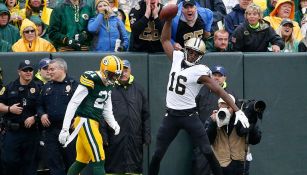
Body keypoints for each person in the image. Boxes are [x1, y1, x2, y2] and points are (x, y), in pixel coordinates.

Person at [149, 14, 250, 175]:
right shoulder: (177, 57)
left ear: (200, 56)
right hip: (171, 115)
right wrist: (168, 21)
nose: (192, 55)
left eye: (196, 54)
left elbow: (218, 89)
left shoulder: (200, 71)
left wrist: (237, 110)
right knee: (157, 154)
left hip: (190, 116)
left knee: (208, 152)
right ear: (185, 49)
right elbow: (165, 40)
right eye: (190, 51)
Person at [58, 55, 123, 175]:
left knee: (82, 160)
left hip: (92, 122)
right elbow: (74, 103)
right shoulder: (91, 78)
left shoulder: (109, 83)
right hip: (85, 120)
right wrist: (65, 128)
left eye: (116, 75)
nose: (113, 78)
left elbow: (106, 109)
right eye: (111, 75)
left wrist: (113, 123)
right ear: (104, 70)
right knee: (99, 159)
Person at [103, 60, 151, 174]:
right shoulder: (109, 89)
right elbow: (102, 115)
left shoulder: (139, 89)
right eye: (121, 71)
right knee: (113, 168)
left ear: (130, 71)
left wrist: (147, 135)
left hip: (135, 139)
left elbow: (146, 115)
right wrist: (103, 136)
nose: (124, 73)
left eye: (126, 70)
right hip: (113, 139)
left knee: (134, 169)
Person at [37, 58, 78, 175]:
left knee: (72, 162)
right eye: (48, 70)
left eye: (52, 69)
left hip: (70, 131)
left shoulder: (74, 85)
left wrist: (78, 118)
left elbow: (83, 105)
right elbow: (39, 105)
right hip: (50, 132)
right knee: (53, 163)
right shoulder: (47, 86)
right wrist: (42, 114)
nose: (49, 72)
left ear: (62, 69)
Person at [193, 65, 235, 175]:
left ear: (225, 78)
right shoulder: (201, 91)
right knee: (201, 167)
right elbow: (192, 111)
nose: (216, 78)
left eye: (220, 76)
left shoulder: (230, 94)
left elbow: (236, 114)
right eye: (214, 75)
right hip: (204, 136)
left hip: (223, 139)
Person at [0, 60, 40, 175]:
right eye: (25, 70)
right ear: (19, 72)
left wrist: (34, 117)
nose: (28, 72)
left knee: (30, 164)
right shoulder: (9, 87)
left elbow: (44, 107)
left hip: (31, 132)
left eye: (30, 70)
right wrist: (9, 109)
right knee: (9, 161)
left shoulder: (38, 88)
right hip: (13, 132)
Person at [205, 95, 262, 175]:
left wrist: (251, 125)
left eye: (228, 107)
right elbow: (207, 141)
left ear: (234, 107)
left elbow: (256, 140)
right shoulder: (214, 118)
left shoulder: (242, 119)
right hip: (219, 165)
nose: (225, 110)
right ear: (218, 107)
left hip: (241, 165)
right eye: (222, 108)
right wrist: (213, 123)